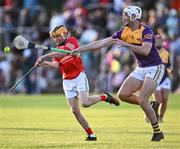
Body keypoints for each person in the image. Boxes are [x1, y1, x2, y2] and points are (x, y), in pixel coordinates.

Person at [68, 6, 165, 141]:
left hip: (155, 67)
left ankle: (157, 132)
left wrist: (127, 44)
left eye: (126, 15)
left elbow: (145, 51)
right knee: (122, 95)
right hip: (141, 68)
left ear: (133, 17)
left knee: (142, 99)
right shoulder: (124, 31)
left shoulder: (146, 31)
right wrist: (80, 49)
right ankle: (150, 106)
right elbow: (101, 43)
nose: (123, 17)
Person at [35, 25, 120, 141]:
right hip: (67, 81)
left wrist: (45, 56)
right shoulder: (56, 49)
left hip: (79, 76)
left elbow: (65, 53)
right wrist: (43, 63)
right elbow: (56, 65)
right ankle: (91, 134)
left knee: (85, 103)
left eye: (58, 36)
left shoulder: (72, 41)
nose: (57, 39)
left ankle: (104, 97)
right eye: (55, 37)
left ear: (64, 34)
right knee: (75, 111)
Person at [145, 35, 172, 123]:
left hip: (164, 78)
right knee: (158, 100)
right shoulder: (151, 52)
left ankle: (160, 117)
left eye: (160, 40)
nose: (159, 42)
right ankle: (149, 114)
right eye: (157, 40)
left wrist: (170, 69)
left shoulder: (166, 53)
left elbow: (168, 65)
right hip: (155, 78)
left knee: (165, 100)